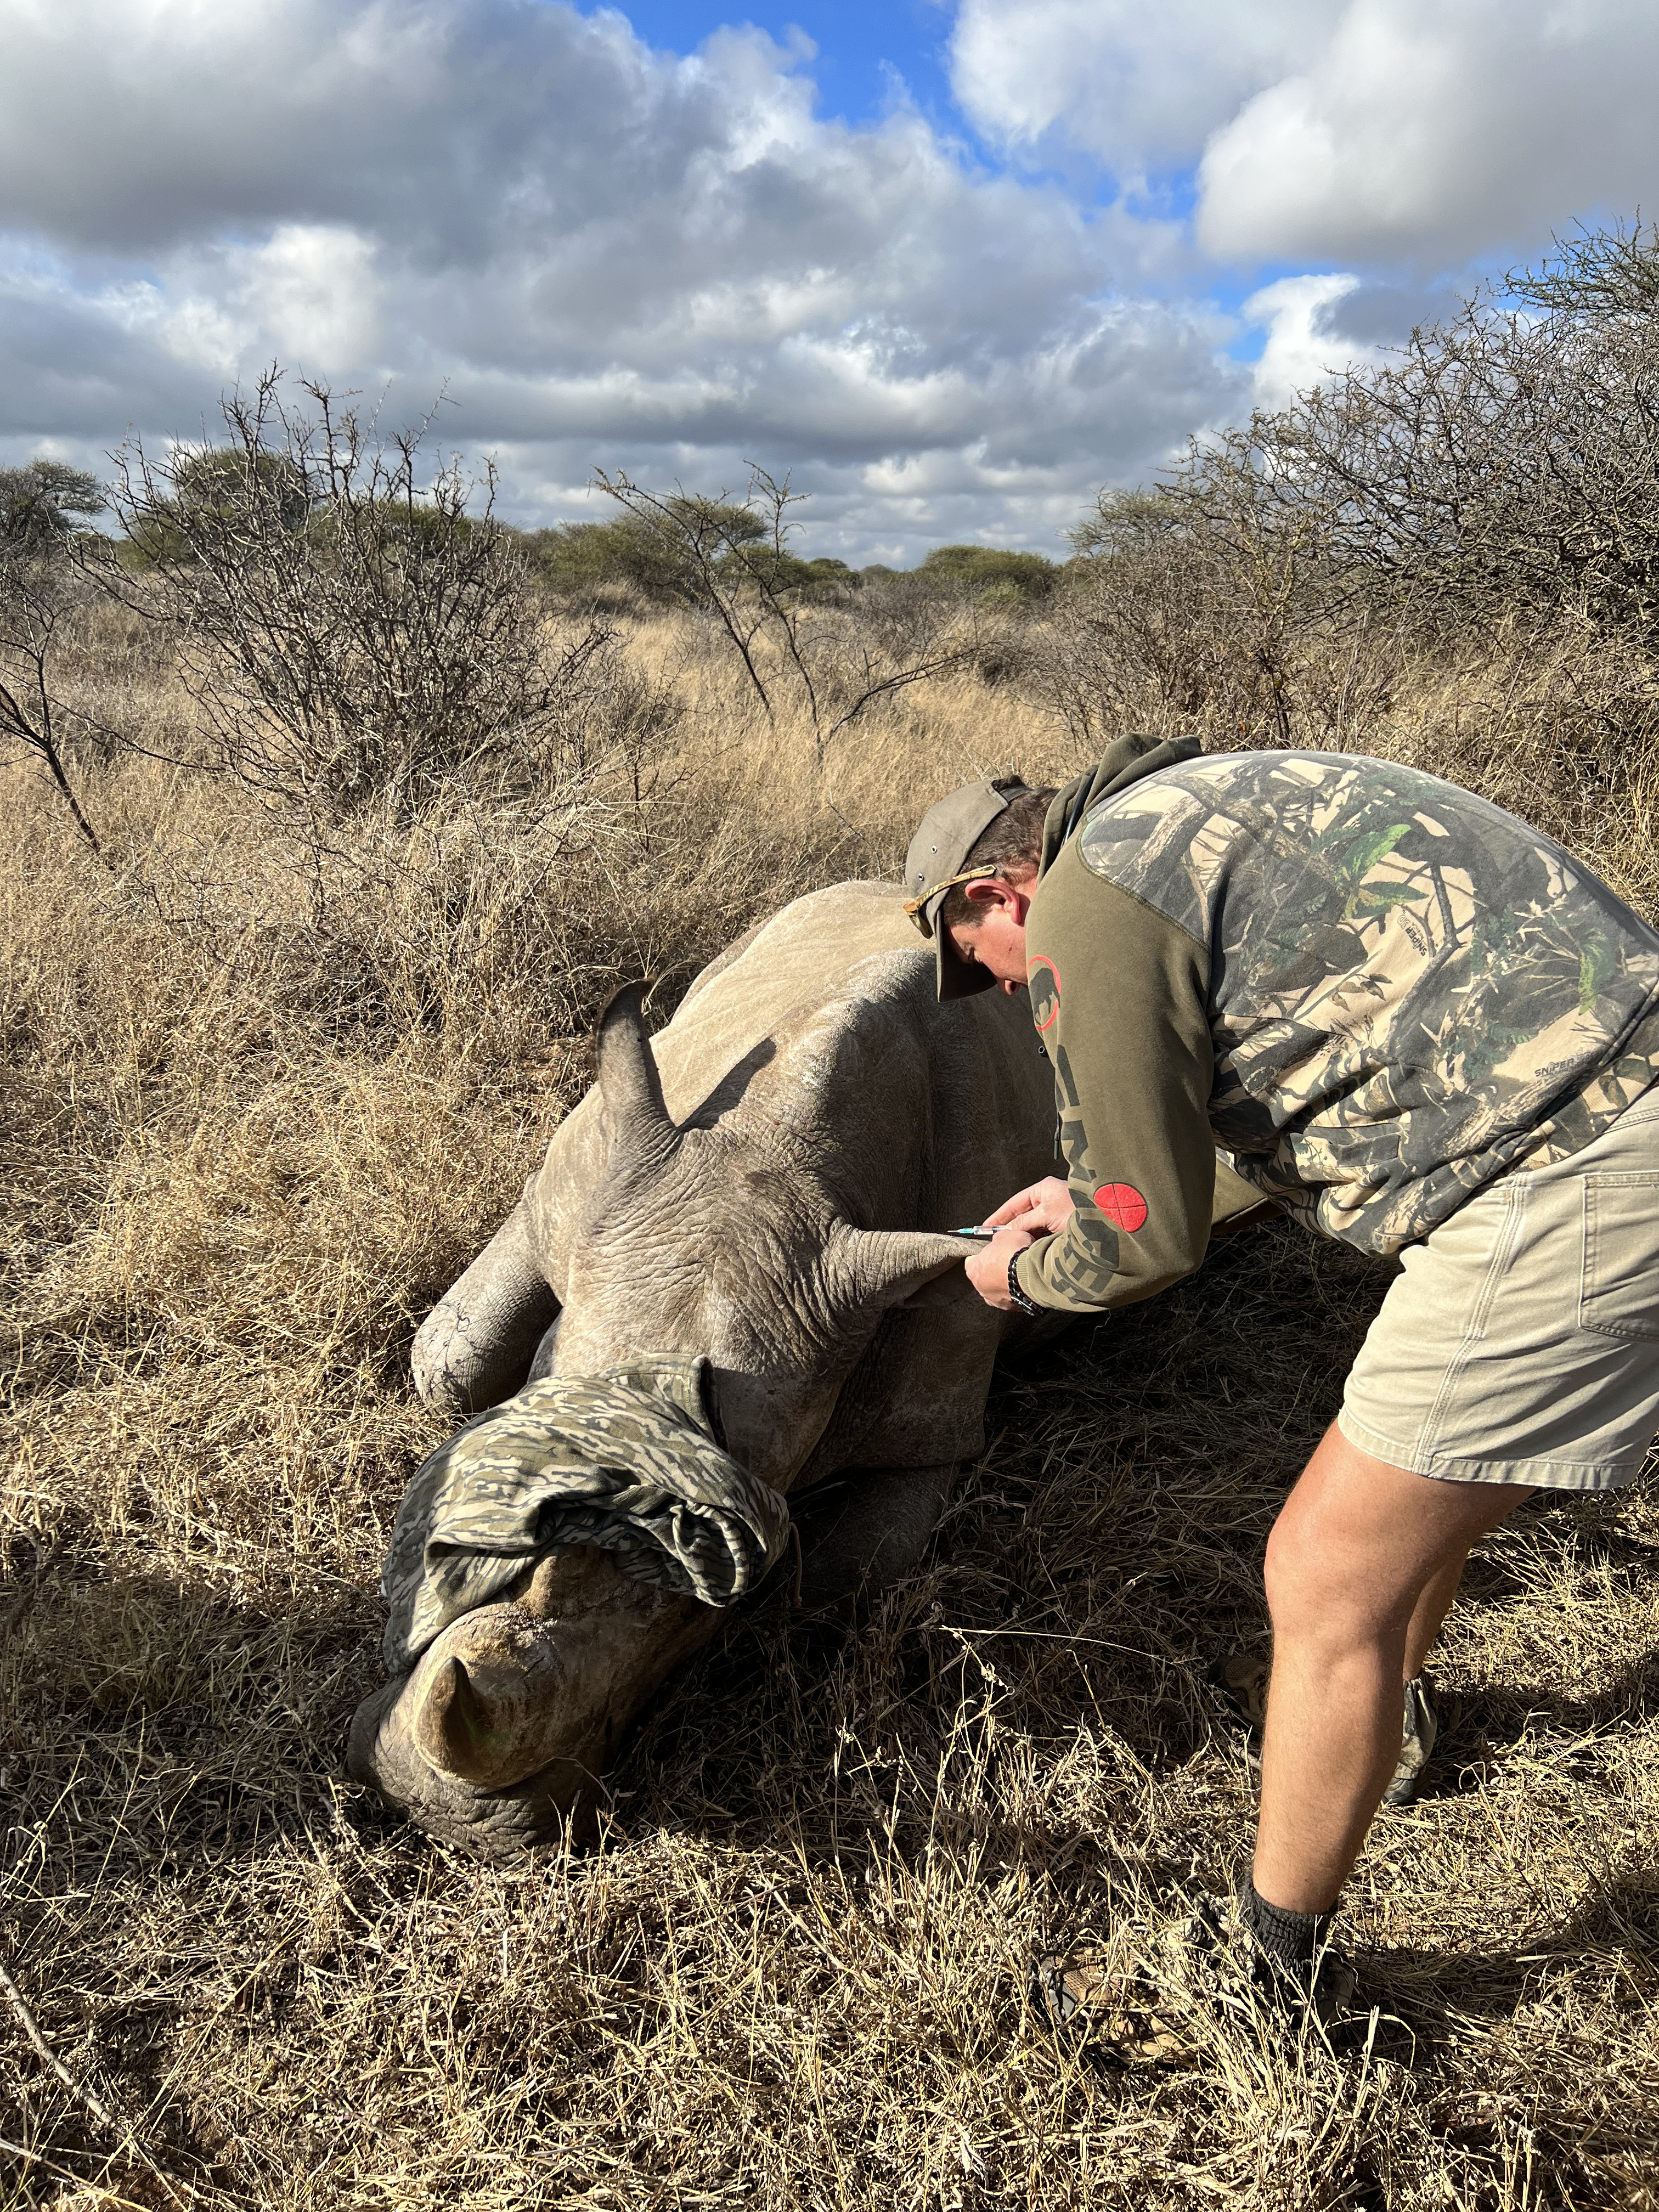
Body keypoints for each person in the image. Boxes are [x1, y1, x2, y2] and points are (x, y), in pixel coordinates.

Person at [902, 734, 1659, 2038]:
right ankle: (1399, 1721)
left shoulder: (1094, 895)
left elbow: (1143, 1239)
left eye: (986, 971)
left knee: (1319, 1573)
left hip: (1572, 1175)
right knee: (1413, 1484)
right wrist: (1092, 1198)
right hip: (1611, 1106)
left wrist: (1024, 1282)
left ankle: (1265, 1979)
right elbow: (1246, 1125)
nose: (1010, 991)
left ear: (995, 900)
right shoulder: (1215, 803)